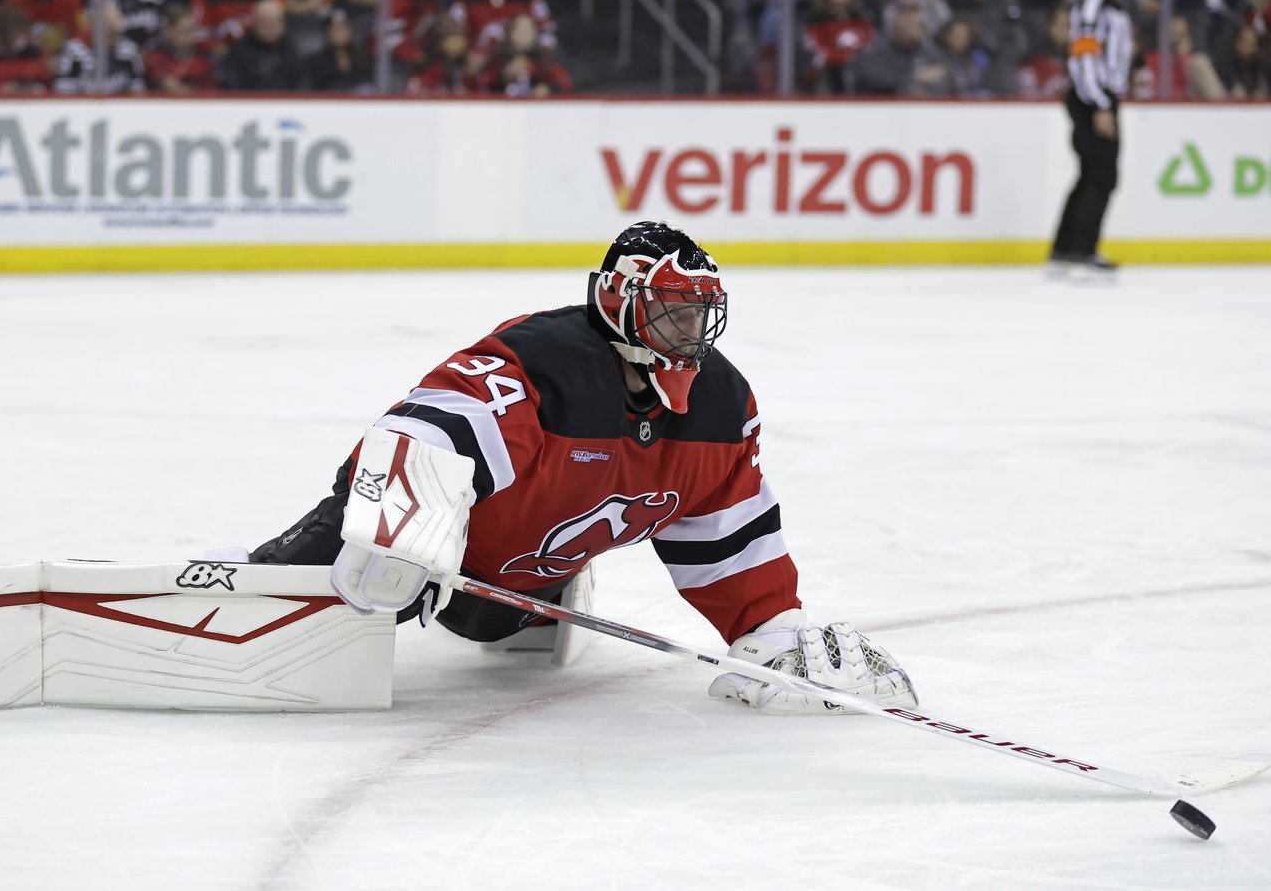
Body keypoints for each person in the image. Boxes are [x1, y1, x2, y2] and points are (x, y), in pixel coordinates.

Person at [246, 221, 919, 716]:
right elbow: (423, 435)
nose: (691, 333)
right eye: (673, 313)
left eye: (699, 315)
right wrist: (402, 530)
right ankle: (248, 586)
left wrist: (769, 625)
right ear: (622, 302)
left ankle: (551, 588)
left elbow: (727, 536)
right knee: (345, 570)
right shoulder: (546, 363)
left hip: (514, 599)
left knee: (487, 620)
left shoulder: (720, 405)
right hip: (442, 564)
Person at [1049, 0, 1134, 283]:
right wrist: (1099, 103)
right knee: (1101, 174)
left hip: (1101, 95)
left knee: (1091, 174)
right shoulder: (1094, 5)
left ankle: (1065, 249)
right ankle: (1082, 250)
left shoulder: (1116, 9)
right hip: (1092, 97)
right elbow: (1083, 56)